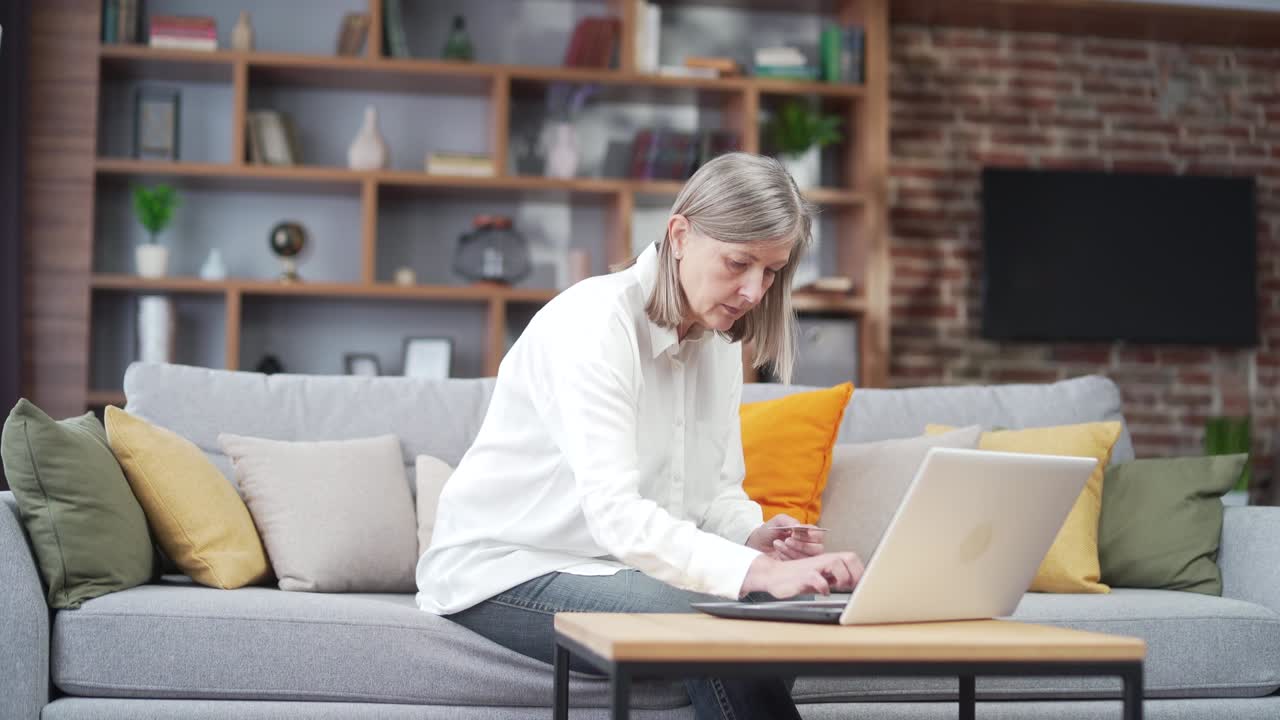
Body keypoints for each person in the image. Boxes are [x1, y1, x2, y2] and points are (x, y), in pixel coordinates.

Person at [416, 152, 864, 720]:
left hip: (620, 567)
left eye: (771, 271)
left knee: (771, 609)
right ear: (679, 234)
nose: (754, 290)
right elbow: (617, 515)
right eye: (738, 262)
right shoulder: (594, 324)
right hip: (508, 568)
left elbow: (717, 492)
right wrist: (759, 575)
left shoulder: (719, 340)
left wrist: (754, 538)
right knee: (719, 615)